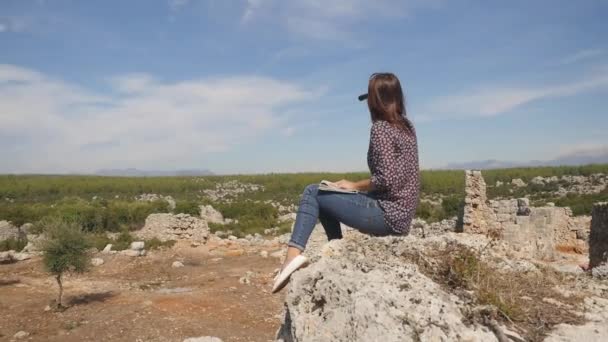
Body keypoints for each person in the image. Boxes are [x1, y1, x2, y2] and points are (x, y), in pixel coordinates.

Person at [272, 72, 420, 293]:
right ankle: (336, 250)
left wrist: (353, 185)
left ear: (375, 100)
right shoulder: (407, 127)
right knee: (328, 195)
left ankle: (291, 258)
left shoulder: (380, 128)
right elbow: (398, 178)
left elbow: (386, 179)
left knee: (313, 192)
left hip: (386, 215)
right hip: (402, 217)